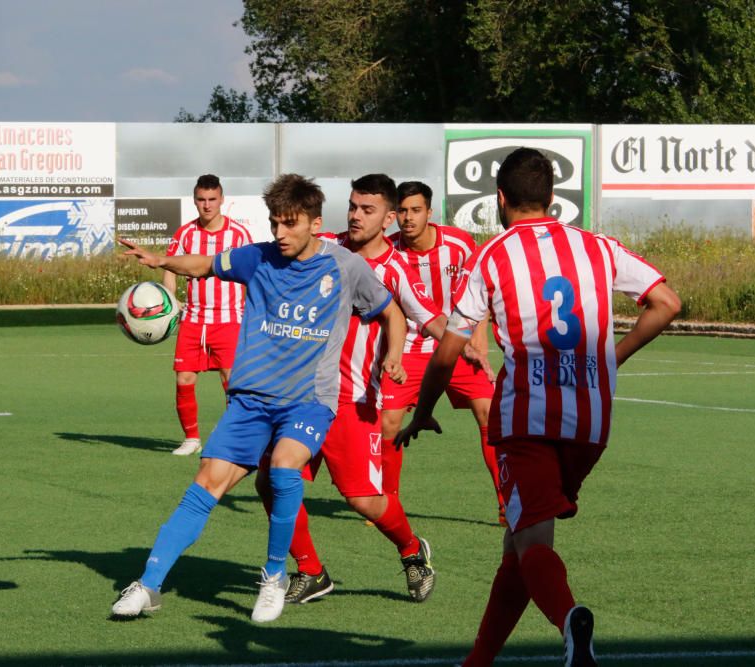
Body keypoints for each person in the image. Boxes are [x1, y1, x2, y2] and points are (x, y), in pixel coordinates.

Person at [397, 148, 681, 666]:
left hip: (527, 417)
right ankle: (477, 661)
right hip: (592, 421)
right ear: (553, 199)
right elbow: (668, 302)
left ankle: (570, 621)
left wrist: (424, 408)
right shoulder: (597, 247)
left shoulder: (493, 255)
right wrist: (611, 359)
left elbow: (449, 348)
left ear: (499, 199)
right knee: (520, 546)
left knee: (531, 545)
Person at [113, 173, 408, 623]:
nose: (280, 234)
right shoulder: (258, 258)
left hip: (308, 400)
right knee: (206, 484)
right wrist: (161, 261)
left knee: (284, 468)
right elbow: (206, 264)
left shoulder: (345, 266)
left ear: (314, 222)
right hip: (250, 400)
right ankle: (149, 584)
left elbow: (391, 313)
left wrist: (395, 354)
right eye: (274, 223)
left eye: (290, 224)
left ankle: (274, 578)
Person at [255, 174, 445, 606]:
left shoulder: (395, 268)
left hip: (351, 400)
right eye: (353, 206)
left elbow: (427, 318)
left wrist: (464, 346)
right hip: (300, 394)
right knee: (271, 481)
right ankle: (311, 570)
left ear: (390, 217)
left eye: (368, 209)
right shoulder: (324, 245)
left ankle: (413, 552)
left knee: (364, 500)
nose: (356, 216)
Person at [382, 181, 502, 522]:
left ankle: (506, 501)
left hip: (459, 346)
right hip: (410, 348)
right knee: (388, 423)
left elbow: (481, 292)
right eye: (402, 211)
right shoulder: (388, 251)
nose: (408, 218)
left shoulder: (460, 244)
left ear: (429, 213)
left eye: (415, 210)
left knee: (489, 415)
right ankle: (387, 503)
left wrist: (479, 340)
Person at [163, 174, 253, 456]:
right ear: (194, 200)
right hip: (193, 318)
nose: (207, 205)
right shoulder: (185, 234)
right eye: (201, 200)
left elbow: (251, 272)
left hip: (228, 318)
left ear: (222, 200)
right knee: (184, 379)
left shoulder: (238, 235)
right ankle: (191, 439)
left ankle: (232, 438)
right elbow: (170, 267)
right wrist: (171, 299)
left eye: (212, 199)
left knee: (231, 381)